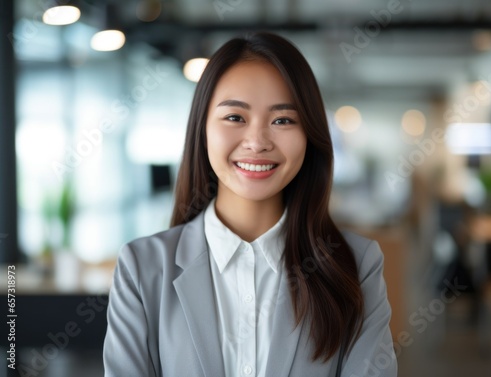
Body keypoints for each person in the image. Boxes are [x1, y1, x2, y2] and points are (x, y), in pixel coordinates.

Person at [103, 32, 397, 377]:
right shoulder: (142, 268)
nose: (257, 142)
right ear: (202, 129)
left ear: (309, 135)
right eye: (235, 118)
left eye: (283, 120)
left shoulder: (357, 265)